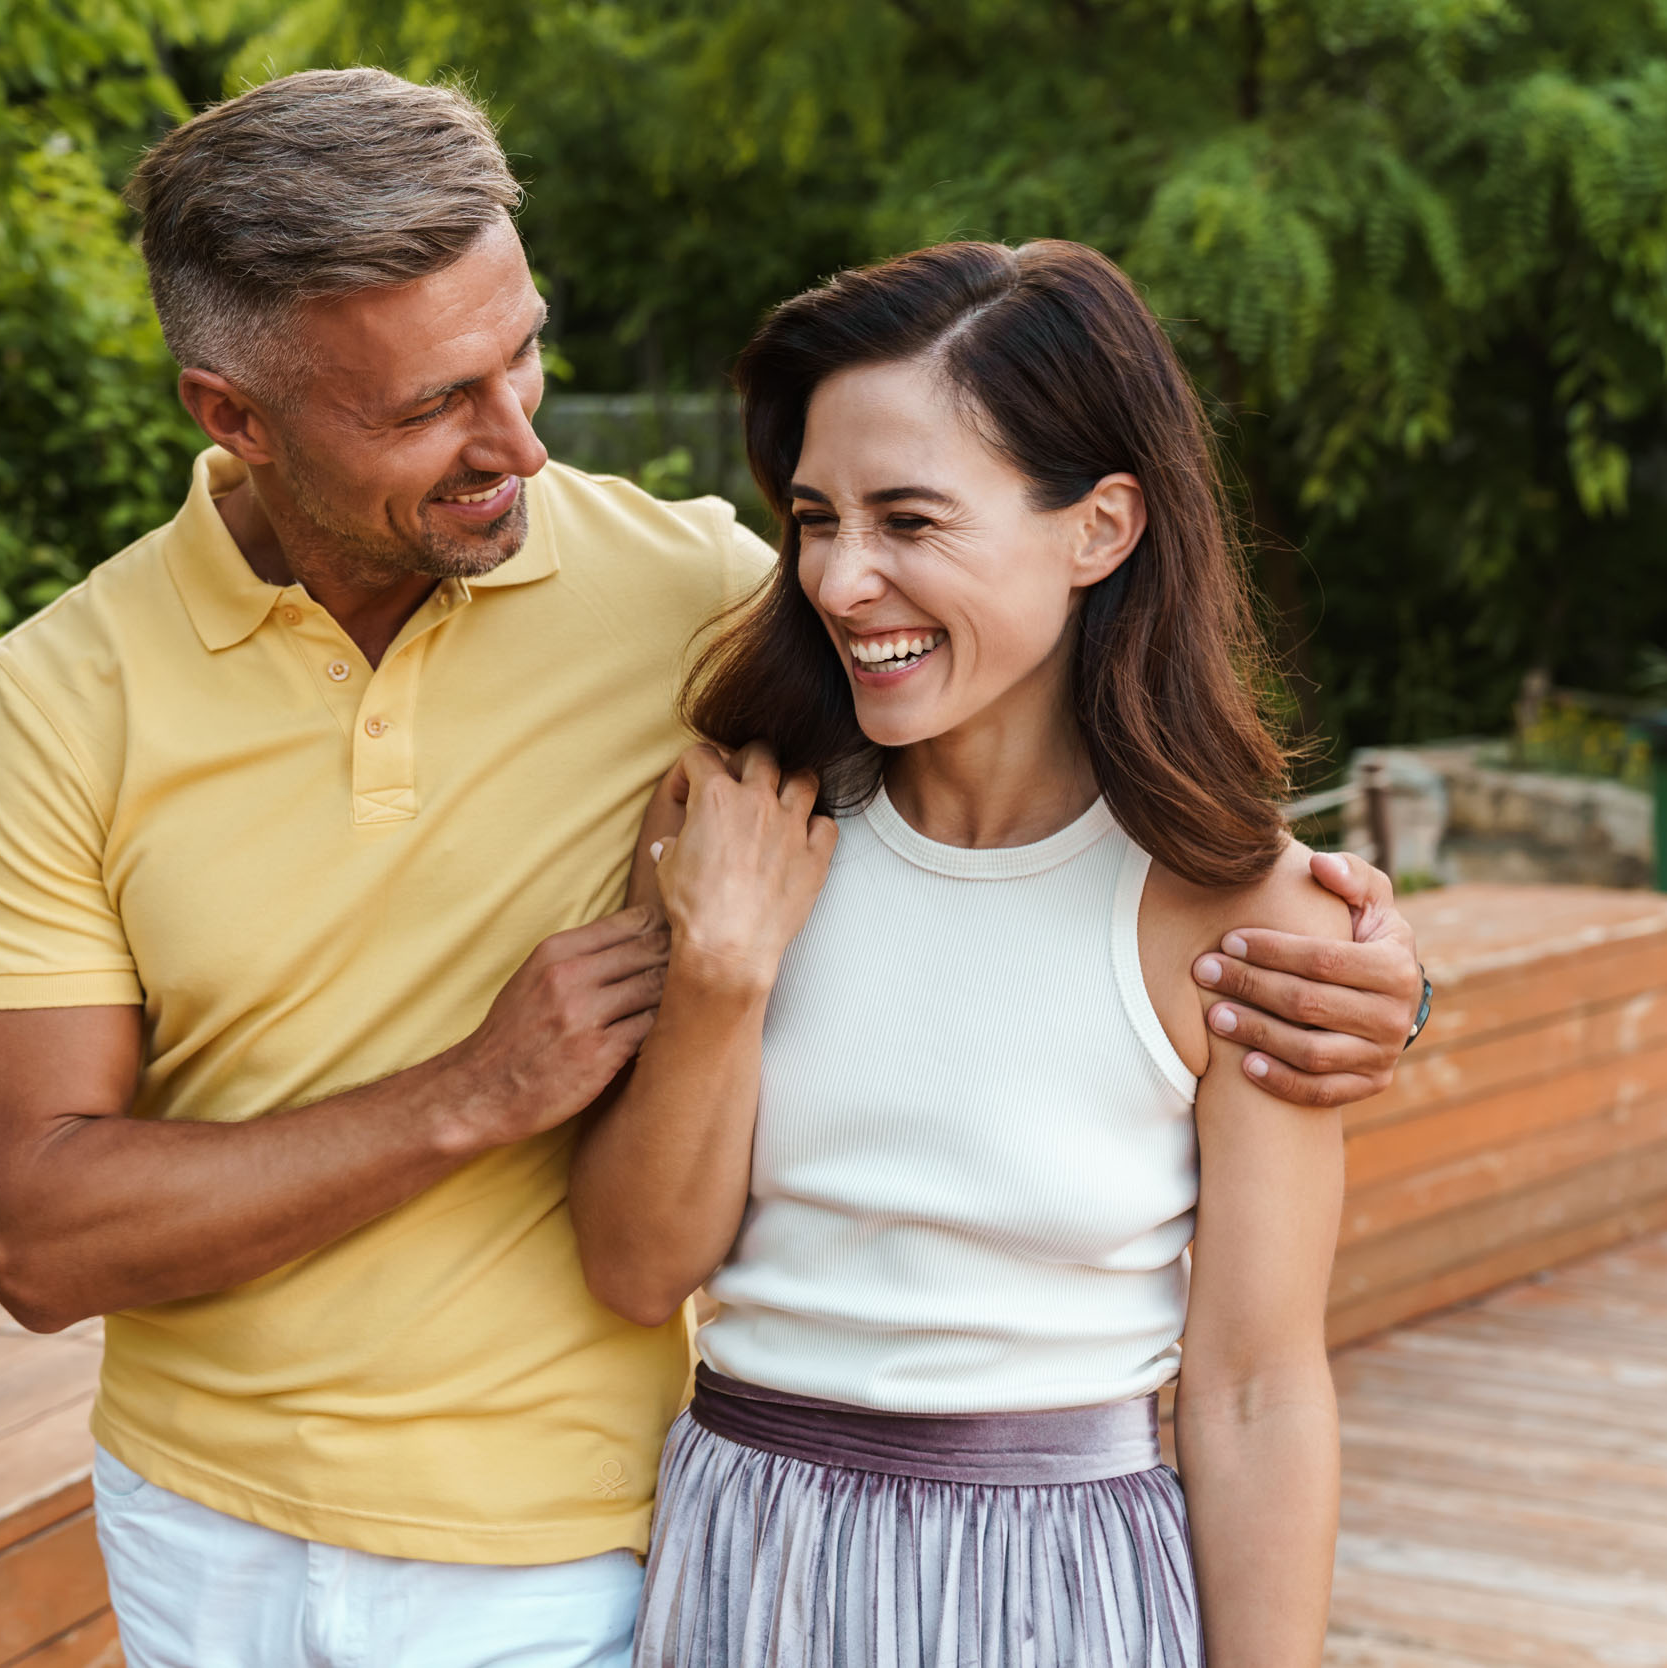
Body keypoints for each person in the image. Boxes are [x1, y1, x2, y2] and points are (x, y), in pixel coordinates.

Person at [0, 71, 1422, 1668]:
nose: (517, 440)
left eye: (525, 355)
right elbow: (30, 1232)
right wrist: (495, 1079)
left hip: (587, 1551)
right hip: (207, 1528)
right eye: (430, 403)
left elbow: (1008, 722)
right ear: (232, 412)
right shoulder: (64, 689)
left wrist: (1378, 987)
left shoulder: (706, 611)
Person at [571, 240, 1357, 1665]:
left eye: (910, 520)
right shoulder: (737, 820)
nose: (840, 577)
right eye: (815, 518)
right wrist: (721, 974)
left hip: (1061, 1585)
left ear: (1100, 528)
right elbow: (637, 1271)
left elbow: (1255, 1390)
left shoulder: (1245, 919)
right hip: (749, 1555)